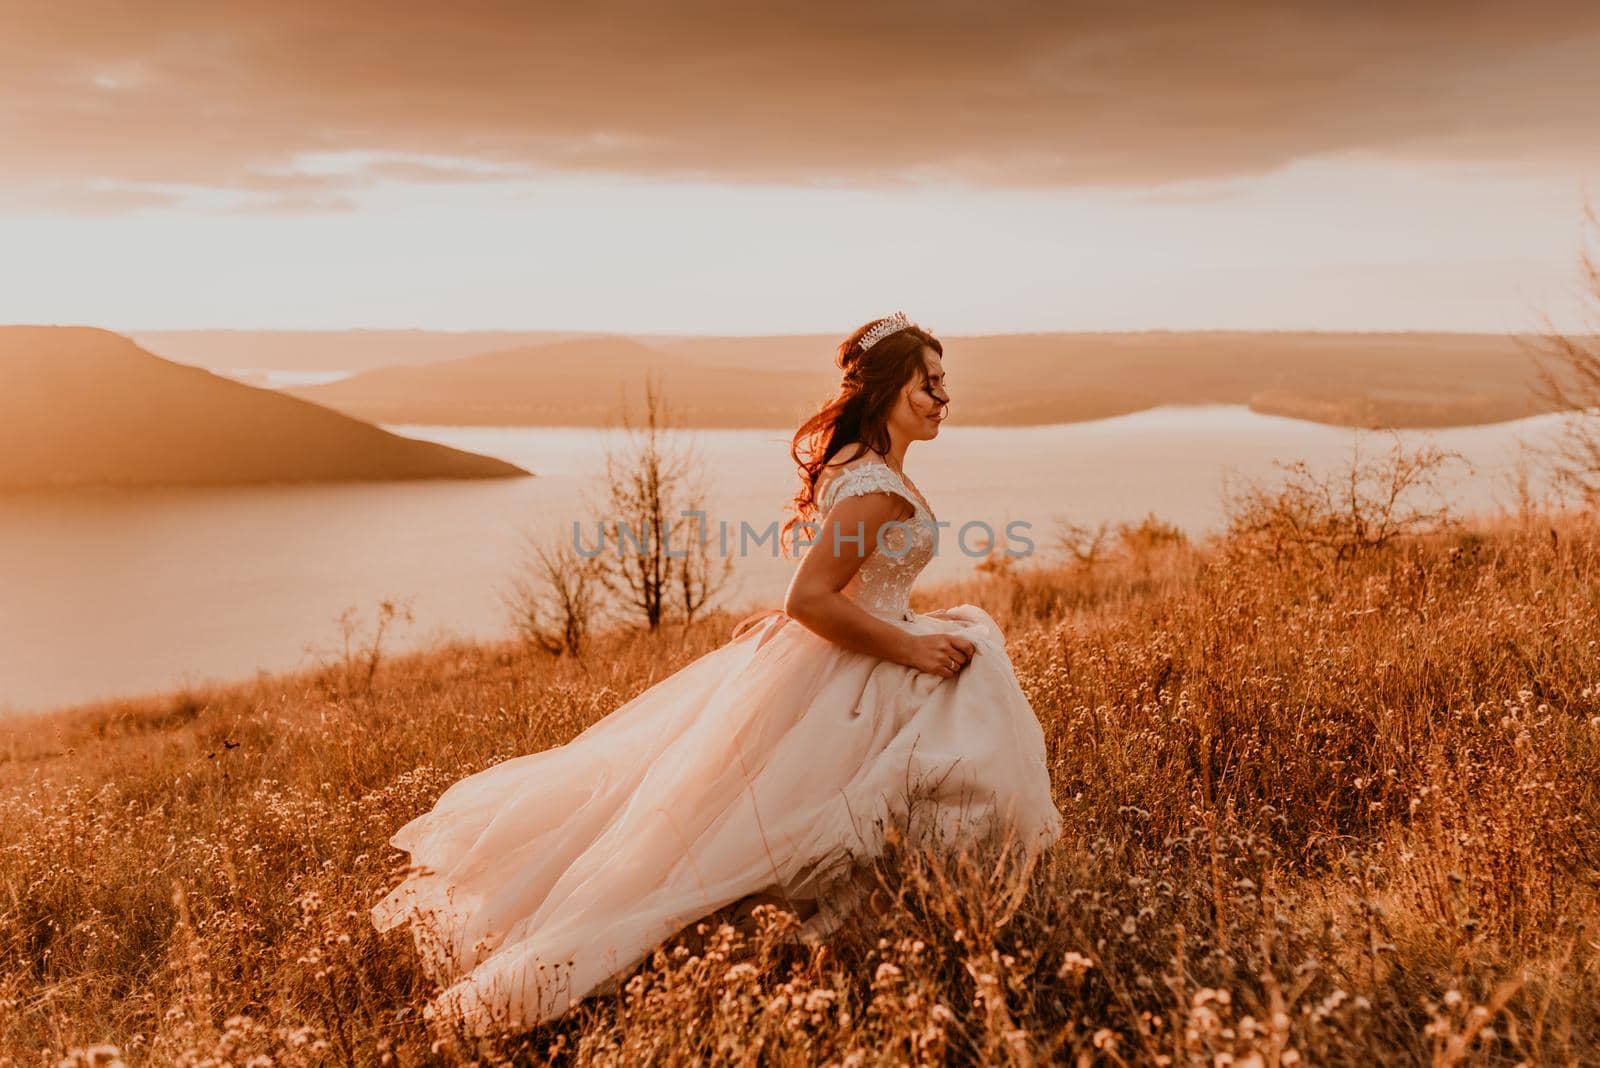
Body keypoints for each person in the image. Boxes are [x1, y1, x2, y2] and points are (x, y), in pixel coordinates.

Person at [370, 311, 1062, 1034]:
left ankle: (865, 941)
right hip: (861, 662)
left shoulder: (859, 463)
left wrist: (826, 623)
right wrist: (911, 648)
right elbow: (812, 596)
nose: (944, 398)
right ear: (890, 387)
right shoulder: (877, 487)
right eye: (931, 383)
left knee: (763, 818)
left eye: (945, 384)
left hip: (848, 647)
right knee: (779, 827)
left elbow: (830, 589)